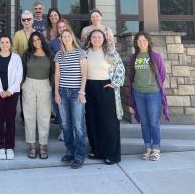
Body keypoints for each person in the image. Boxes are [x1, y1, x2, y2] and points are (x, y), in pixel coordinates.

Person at [84, 29, 125, 165]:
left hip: (106, 88)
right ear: (90, 39)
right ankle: (97, 151)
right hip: (89, 88)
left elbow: (120, 67)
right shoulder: (85, 52)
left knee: (109, 123)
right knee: (92, 121)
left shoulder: (110, 52)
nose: (96, 39)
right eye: (94, 37)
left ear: (104, 39)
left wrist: (114, 83)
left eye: (99, 37)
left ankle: (112, 154)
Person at [128, 32, 169, 161]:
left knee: (154, 122)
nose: (141, 43)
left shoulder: (156, 57)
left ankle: (156, 148)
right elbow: (132, 75)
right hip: (138, 93)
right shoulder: (133, 57)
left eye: (144, 40)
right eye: (139, 41)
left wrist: (153, 86)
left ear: (148, 41)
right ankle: (147, 147)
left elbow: (162, 75)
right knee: (144, 122)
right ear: (136, 43)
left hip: (153, 93)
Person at [54, 29, 87, 169]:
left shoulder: (80, 52)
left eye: (68, 36)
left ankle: (80, 154)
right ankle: (70, 151)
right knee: (66, 124)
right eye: (64, 36)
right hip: (62, 92)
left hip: (76, 93)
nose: (66, 38)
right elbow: (57, 74)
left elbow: (84, 74)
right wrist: (56, 92)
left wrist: (82, 91)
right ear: (61, 39)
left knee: (78, 125)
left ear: (72, 37)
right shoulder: (59, 54)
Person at [0, 35, 23, 160]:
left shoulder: (16, 58)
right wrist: (0, 90)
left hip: (12, 93)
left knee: (10, 120)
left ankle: (9, 146)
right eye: (2, 42)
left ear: (10, 44)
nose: (4, 44)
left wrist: (9, 90)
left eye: (7, 42)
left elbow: (19, 76)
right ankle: (0, 146)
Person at [22, 31, 54, 160]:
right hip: (29, 84)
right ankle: (32, 146)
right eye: (34, 40)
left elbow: (54, 72)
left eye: (38, 39)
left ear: (42, 40)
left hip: (45, 85)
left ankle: (42, 146)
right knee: (29, 116)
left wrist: (52, 86)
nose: (36, 42)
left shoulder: (49, 54)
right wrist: (22, 84)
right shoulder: (27, 54)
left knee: (44, 116)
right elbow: (21, 70)